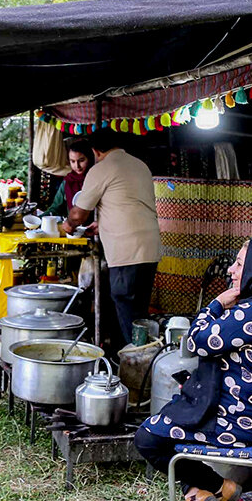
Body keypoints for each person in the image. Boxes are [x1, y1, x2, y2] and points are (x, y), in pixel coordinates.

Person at [133, 238, 252, 501]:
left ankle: (217, 488)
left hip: (238, 425)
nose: (232, 271)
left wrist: (218, 303)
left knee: (149, 437)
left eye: (239, 264)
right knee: (174, 414)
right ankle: (199, 494)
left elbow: (195, 341)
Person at [61, 127, 161, 348]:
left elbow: (78, 214)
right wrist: (103, 224)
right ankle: (130, 358)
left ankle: (135, 362)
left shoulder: (102, 168)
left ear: (95, 151)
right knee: (138, 311)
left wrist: (67, 225)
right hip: (150, 246)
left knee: (126, 307)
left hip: (127, 251)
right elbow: (129, 203)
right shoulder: (139, 165)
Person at [44, 139, 93, 217]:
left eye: (81, 160)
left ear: (90, 158)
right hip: (73, 226)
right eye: (72, 161)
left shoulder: (96, 180)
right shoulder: (68, 181)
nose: (77, 166)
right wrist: (39, 219)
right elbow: (55, 208)